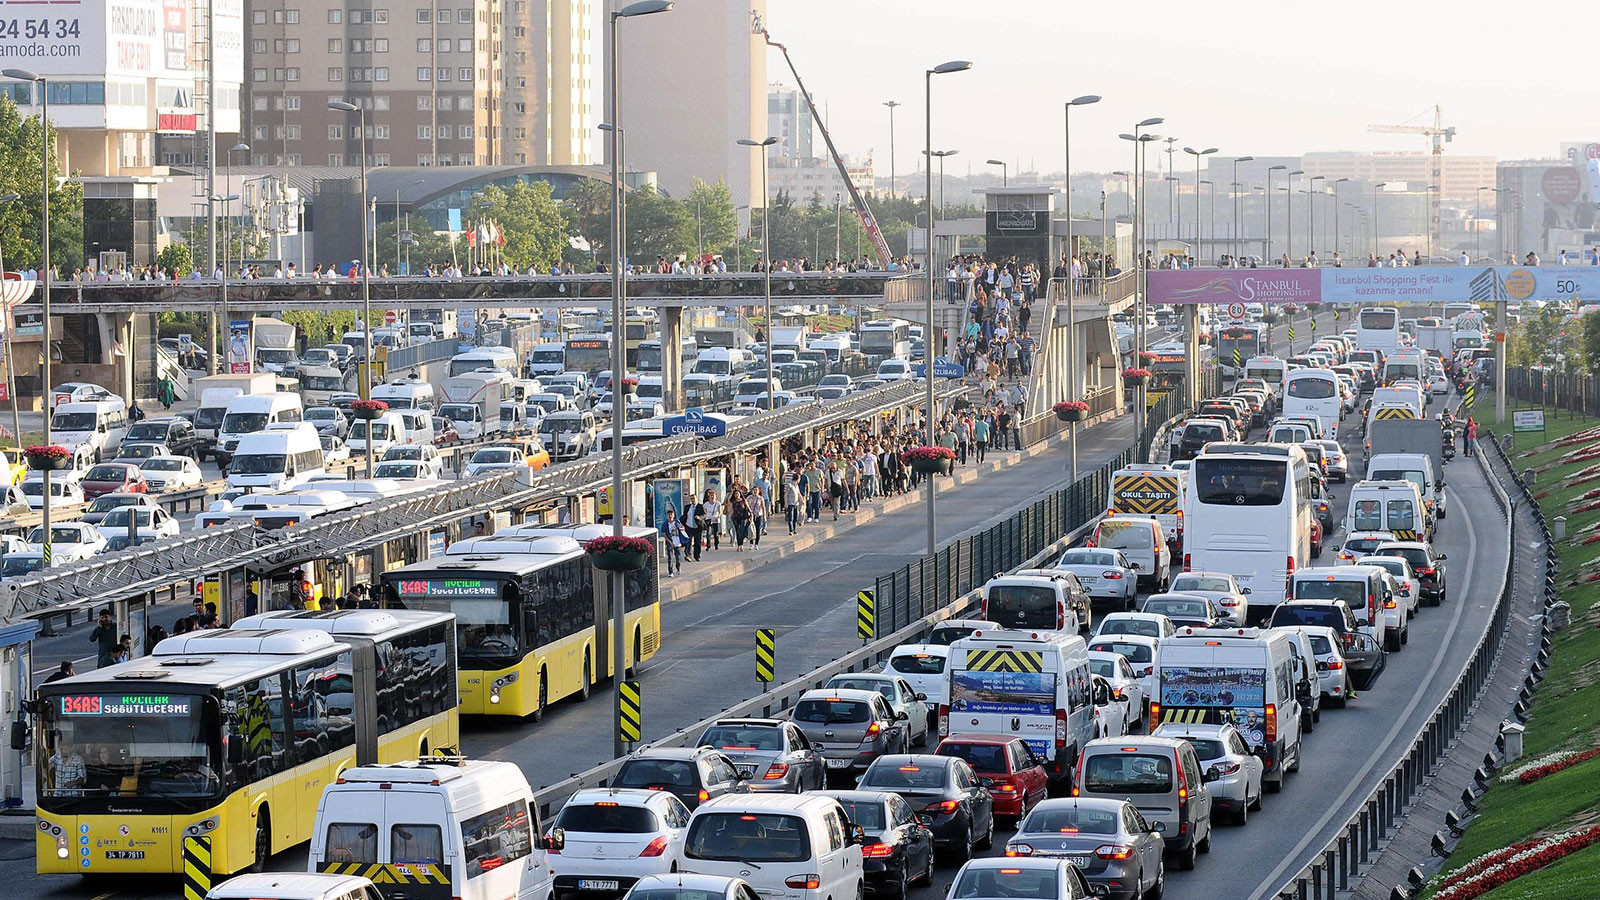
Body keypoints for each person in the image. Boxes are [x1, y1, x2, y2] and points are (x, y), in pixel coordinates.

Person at [660, 507, 686, 576]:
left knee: (678, 557)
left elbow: (683, 528)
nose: (670, 516)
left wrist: (680, 528)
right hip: (670, 542)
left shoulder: (677, 522)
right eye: (669, 514)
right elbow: (664, 534)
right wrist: (670, 542)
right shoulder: (665, 524)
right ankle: (670, 572)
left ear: (673, 515)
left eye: (671, 514)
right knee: (670, 557)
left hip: (677, 542)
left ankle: (678, 567)